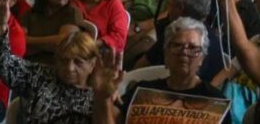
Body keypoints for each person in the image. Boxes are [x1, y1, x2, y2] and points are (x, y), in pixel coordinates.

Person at [0, 0, 100, 123]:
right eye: (64, 61)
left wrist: (106, 98)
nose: (69, 68)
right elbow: (4, 65)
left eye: (78, 62)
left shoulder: (99, 96)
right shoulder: (40, 76)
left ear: (92, 63)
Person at [98, 18, 231, 124]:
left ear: (202, 58)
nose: (184, 52)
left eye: (192, 48)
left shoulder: (215, 102)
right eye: (177, 45)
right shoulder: (143, 91)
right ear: (166, 54)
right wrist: (103, 97)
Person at [20, 0, 82, 65]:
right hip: (27, 66)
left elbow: (63, 43)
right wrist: (49, 43)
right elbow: (19, 43)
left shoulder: (72, 12)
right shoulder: (30, 13)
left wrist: (28, 40)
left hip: (56, 68)